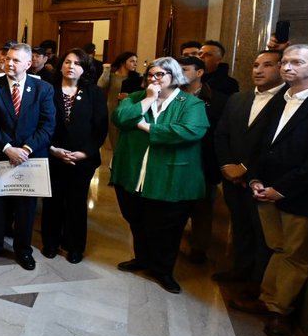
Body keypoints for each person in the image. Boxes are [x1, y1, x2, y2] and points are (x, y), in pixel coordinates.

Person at [229, 44, 308, 336]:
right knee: (278, 248)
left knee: (294, 255)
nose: (287, 67)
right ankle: (267, 298)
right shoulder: (278, 101)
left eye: (296, 62)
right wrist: (256, 179)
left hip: (304, 196)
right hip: (266, 190)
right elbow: (262, 145)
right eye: (285, 62)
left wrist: (281, 189)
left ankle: (280, 311)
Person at [111, 57, 209, 294]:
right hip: (133, 175)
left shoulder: (190, 104)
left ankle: (163, 270)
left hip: (170, 178)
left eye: (160, 75)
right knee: (137, 220)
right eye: (150, 75)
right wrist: (148, 99)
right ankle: (142, 259)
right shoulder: (137, 97)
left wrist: (147, 127)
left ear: (174, 78)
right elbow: (120, 119)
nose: (153, 79)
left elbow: (190, 131)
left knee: (165, 228)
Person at [212, 49, 284, 286]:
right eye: (255, 65)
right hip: (232, 178)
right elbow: (221, 134)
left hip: (263, 180)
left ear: (282, 68)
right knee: (241, 227)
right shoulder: (238, 99)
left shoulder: (288, 101)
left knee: (263, 235)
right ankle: (239, 271)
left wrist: (246, 169)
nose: (258, 70)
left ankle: (257, 284)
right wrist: (226, 165)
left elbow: (274, 144)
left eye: (267, 65)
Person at [0, 43, 56, 270]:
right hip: (0, 154)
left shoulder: (43, 88)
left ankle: (23, 249)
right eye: (7, 59)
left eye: (16, 60)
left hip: (30, 158)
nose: (10, 63)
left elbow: (48, 125)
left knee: (26, 207)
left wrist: (25, 149)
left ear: (28, 63)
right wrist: (7, 148)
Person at [42, 48, 108, 263]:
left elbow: (100, 128)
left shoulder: (95, 93)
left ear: (85, 69)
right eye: (68, 62)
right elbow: (39, 123)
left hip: (82, 160)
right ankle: (50, 242)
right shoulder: (47, 90)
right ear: (61, 65)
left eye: (77, 63)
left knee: (76, 203)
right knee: (53, 202)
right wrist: (52, 149)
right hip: (52, 155)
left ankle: (75, 246)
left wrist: (84, 152)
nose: (71, 66)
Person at [179, 55, 228, 264]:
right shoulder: (169, 96)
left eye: (185, 69)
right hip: (175, 162)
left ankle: (199, 249)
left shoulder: (219, 100)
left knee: (202, 209)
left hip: (204, 163)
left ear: (199, 73)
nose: (179, 74)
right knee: (174, 208)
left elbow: (223, 135)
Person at [104, 51, 142, 149]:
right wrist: (106, 70)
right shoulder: (112, 76)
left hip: (129, 112)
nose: (135, 64)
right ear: (123, 62)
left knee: (126, 142)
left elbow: (142, 95)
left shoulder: (138, 78)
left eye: (136, 61)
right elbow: (101, 85)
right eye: (132, 61)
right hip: (112, 110)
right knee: (113, 141)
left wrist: (130, 96)